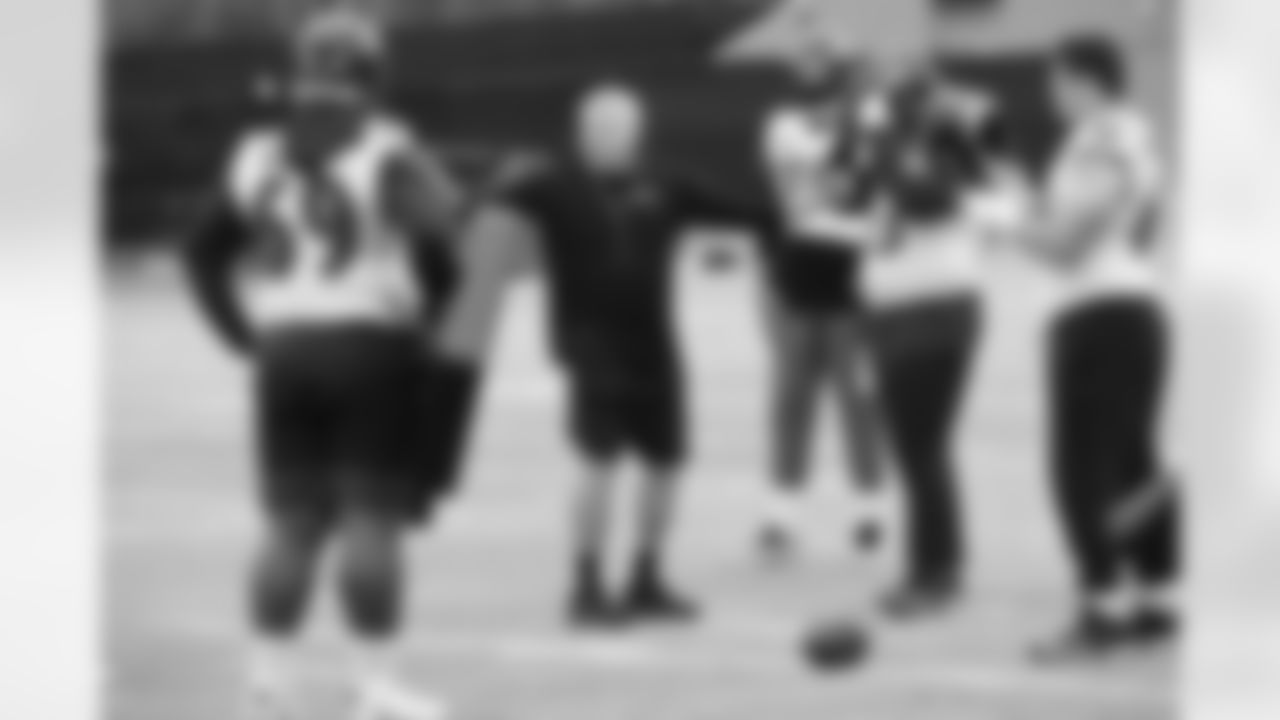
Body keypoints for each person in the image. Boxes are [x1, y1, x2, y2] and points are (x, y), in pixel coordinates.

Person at [182, 9, 481, 719]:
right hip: (370, 344)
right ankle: (374, 686)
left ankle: (268, 684)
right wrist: (430, 324)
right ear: (374, 74)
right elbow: (446, 242)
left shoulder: (256, 151)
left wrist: (243, 337)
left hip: (284, 348)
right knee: (371, 517)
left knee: (291, 520)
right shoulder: (387, 148)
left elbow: (201, 252)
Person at [459, 82, 771, 628]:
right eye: (603, 129)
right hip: (589, 343)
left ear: (639, 133)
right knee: (598, 460)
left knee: (667, 461)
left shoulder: (665, 186)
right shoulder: (552, 185)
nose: (615, 139)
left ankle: (646, 577)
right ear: (581, 134)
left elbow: (748, 215)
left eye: (625, 129)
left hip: (654, 343)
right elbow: (475, 209)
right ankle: (586, 584)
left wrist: (803, 216)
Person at [804, 57, 1017, 618]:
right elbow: (848, 203)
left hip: (931, 312)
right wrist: (851, 186)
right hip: (901, 313)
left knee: (921, 448)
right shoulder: (903, 154)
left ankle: (935, 574)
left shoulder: (942, 154)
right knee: (919, 448)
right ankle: (936, 567)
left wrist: (883, 153)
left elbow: (931, 199)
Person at [1019, 34, 1180, 661]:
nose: (1051, 94)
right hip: (1134, 308)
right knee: (1133, 466)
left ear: (1085, 80)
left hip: (1099, 317)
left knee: (1080, 471)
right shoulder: (1134, 137)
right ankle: (1159, 597)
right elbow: (1143, 231)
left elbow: (1066, 249)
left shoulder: (1100, 138)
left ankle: (1103, 606)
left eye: (1057, 81)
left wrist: (999, 222)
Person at [756, 36, 888, 559]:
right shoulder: (784, 124)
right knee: (791, 401)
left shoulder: (869, 123)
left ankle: (869, 512)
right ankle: (781, 516)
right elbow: (812, 188)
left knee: (859, 401)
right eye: (803, 61)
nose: (811, 70)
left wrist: (865, 119)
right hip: (796, 282)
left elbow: (867, 191)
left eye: (821, 62)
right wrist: (859, 122)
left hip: (855, 286)